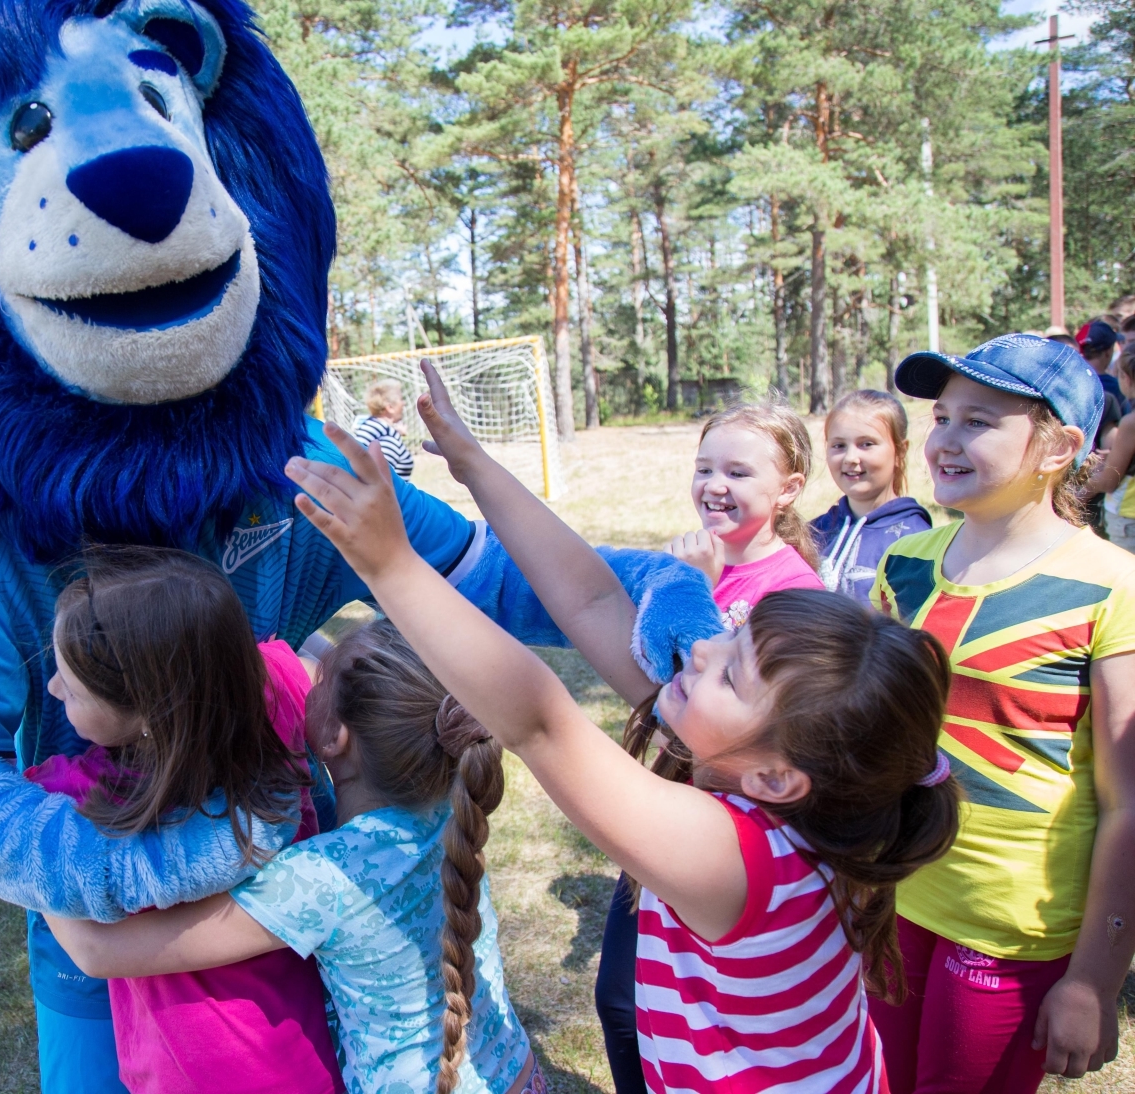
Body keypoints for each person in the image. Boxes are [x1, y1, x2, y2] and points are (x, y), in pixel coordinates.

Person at [279, 378, 961, 1094]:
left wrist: (391, 566)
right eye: (733, 640)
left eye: (732, 674)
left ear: (777, 777)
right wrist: (472, 461)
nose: (702, 650)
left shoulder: (739, 861)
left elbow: (541, 722)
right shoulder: (782, 777)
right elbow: (594, 597)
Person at [50, 618, 539, 1094]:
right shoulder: (453, 801)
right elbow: (326, 657)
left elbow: (100, 952)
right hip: (512, 1070)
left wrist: (36, 836)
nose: (309, 673)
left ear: (334, 737)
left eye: (322, 677)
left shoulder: (321, 878)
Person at [869, 333, 1135, 1092]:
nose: (944, 441)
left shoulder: (1114, 586)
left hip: (1012, 932)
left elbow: (1130, 805)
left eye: (978, 421)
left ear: (1059, 447)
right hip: (893, 897)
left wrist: (1093, 979)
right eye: (942, 417)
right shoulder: (906, 561)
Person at [24, 546, 340, 1094]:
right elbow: (317, 671)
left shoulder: (70, 794)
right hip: (304, 1049)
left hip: (190, 1074)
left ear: (148, 706)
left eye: (71, 688)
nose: (51, 688)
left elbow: (87, 947)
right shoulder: (277, 692)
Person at [669, 403, 823, 630]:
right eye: (704, 470)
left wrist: (696, 590)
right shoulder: (684, 562)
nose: (714, 486)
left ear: (788, 489)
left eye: (737, 474)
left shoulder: (797, 593)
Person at [810, 390, 932, 604]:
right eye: (839, 446)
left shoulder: (917, 542)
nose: (850, 458)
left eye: (866, 444)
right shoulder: (813, 532)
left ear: (900, 452)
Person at [1086, 349, 1135, 554]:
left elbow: (1109, 481)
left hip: (1128, 516)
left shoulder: (1130, 423)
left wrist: (1081, 482)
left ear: (1126, 378)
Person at [351, 378, 415, 480]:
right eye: (401, 399)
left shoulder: (373, 426)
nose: (404, 403)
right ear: (390, 407)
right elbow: (382, 479)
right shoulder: (388, 439)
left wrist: (396, 433)